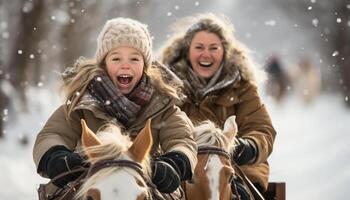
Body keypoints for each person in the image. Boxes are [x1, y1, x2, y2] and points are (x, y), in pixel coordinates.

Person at [33, 17, 197, 197]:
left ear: (145, 66)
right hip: (89, 175)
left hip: (147, 179)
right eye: (116, 58)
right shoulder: (82, 104)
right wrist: (56, 156)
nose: (125, 65)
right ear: (104, 64)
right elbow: (52, 134)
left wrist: (174, 162)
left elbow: (183, 140)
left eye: (134, 59)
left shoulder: (164, 106)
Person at [159, 13, 276, 199]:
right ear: (187, 51)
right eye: (199, 47)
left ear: (224, 51)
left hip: (237, 170)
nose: (206, 54)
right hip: (182, 168)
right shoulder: (165, 87)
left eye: (213, 48)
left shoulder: (243, 87)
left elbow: (261, 129)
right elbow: (155, 126)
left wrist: (246, 147)